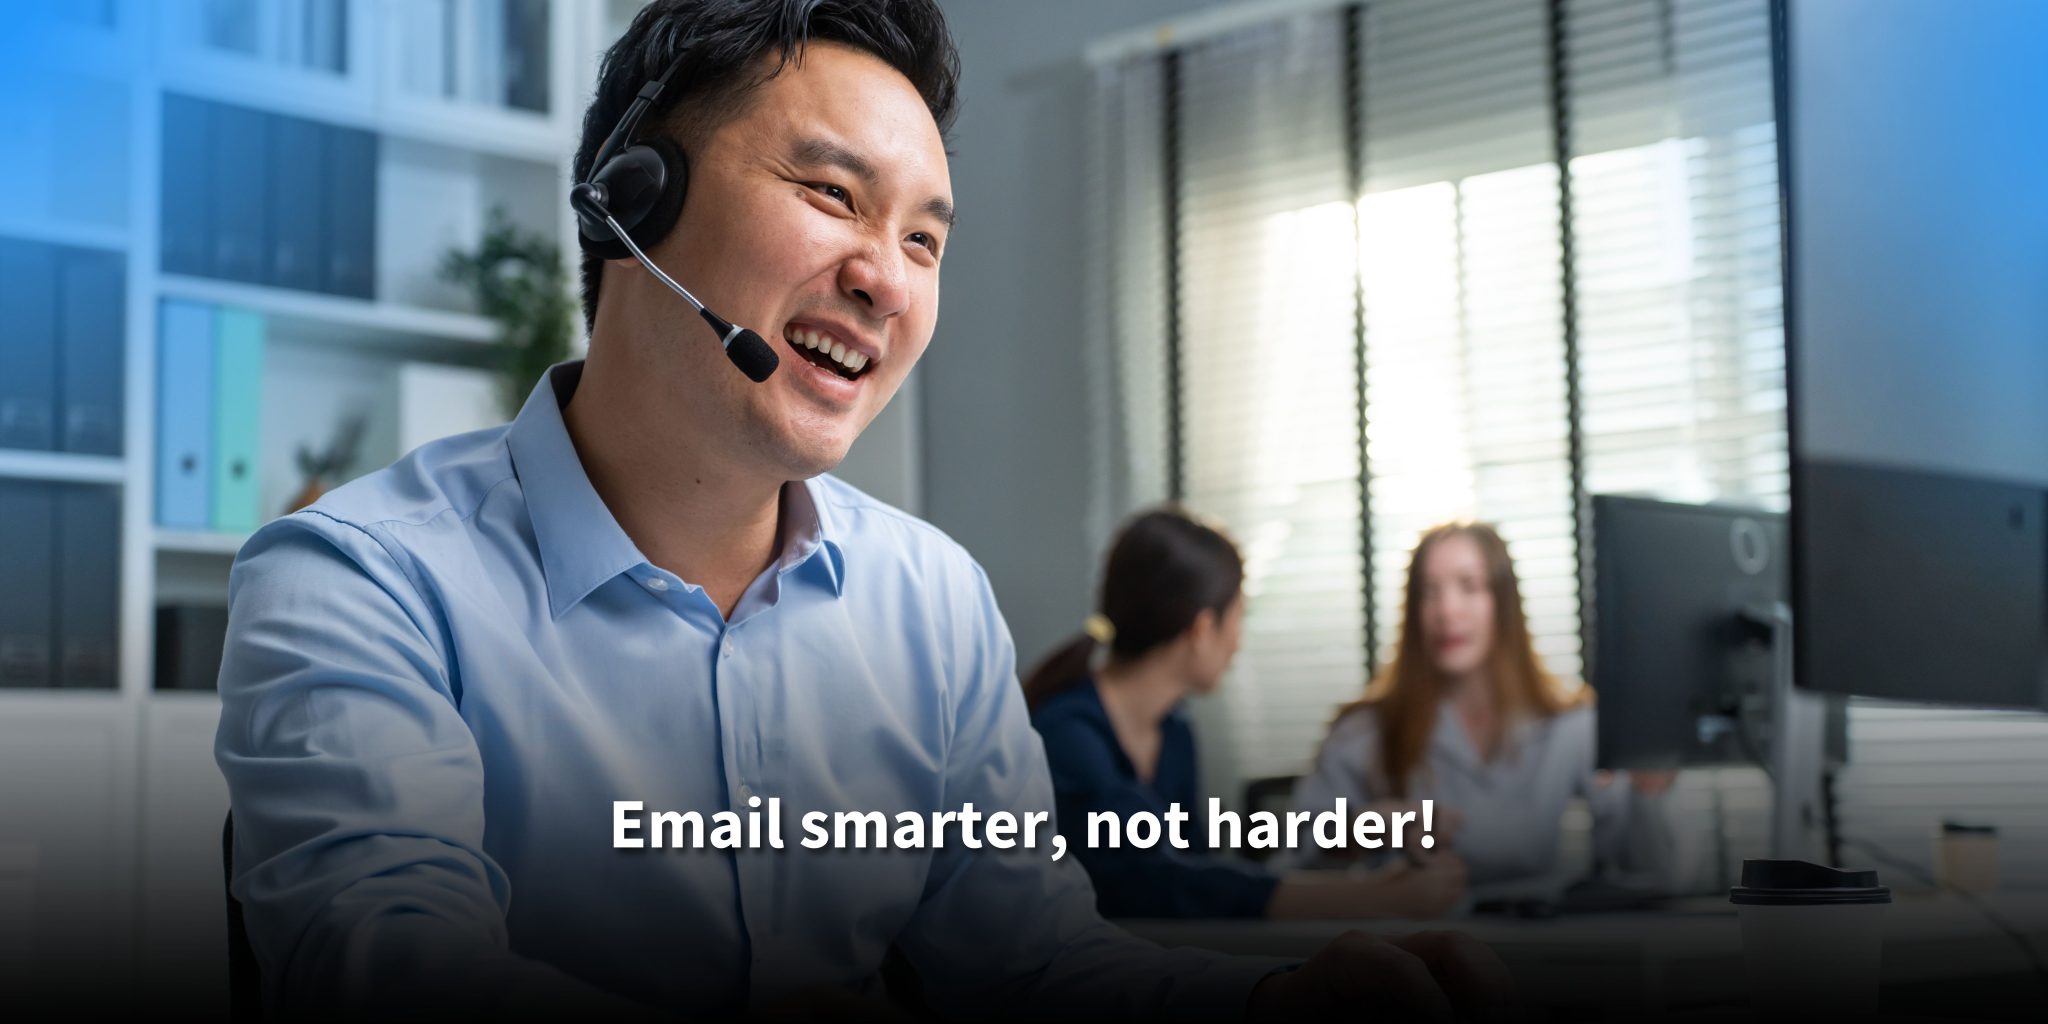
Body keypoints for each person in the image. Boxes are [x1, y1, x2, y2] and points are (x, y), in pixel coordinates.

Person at [214, 1, 1514, 1019]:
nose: (886, 281)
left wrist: (1276, 1003)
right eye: (835, 197)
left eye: (926, 241)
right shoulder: (358, 577)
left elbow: (1033, 970)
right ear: (630, 205)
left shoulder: (933, 602)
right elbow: (390, 971)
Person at [1026, 508, 1469, 921]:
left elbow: (1198, 868)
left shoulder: (1174, 733)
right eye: (1238, 617)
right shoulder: (1065, 734)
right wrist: (1374, 898)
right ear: (1202, 629)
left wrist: (1349, 834)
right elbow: (1151, 883)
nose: (1238, 641)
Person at [1288, 522, 1676, 891]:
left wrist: (1647, 791)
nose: (1447, 611)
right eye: (1429, 592)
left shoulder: (1573, 724)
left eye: (1469, 587)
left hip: (1545, 945)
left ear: (1503, 604)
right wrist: (1357, 830)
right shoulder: (1365, 729)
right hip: (1410, 945)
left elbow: (1647, 875)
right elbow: (1291, 861)